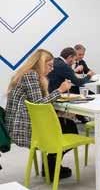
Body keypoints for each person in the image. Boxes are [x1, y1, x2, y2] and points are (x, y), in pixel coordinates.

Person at [5, 49, 74, 179]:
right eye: (50, 65)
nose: (52, 69)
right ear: (40, 63)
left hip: (22, 122)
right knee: (69, 127)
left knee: (67, 124)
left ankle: (51, 165)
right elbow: (38, 103)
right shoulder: (31, 75)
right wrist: (60, 90)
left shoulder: (27, 74)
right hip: (23, 127)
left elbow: (37, 102)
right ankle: (51, 167)